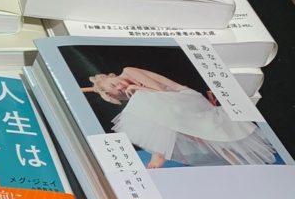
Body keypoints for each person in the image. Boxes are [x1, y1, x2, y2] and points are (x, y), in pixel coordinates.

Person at [82, 67, 277, 169]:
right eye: (115, 91)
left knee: (144, 102)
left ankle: (159, 154)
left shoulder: (129, 72)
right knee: (150, 107)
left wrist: (135, 87)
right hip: (171, 107)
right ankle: (159, 153)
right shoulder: (133, 94)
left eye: (115, 84)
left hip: (183, 98)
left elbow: (160, 91)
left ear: (111, 75)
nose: (120, 88)